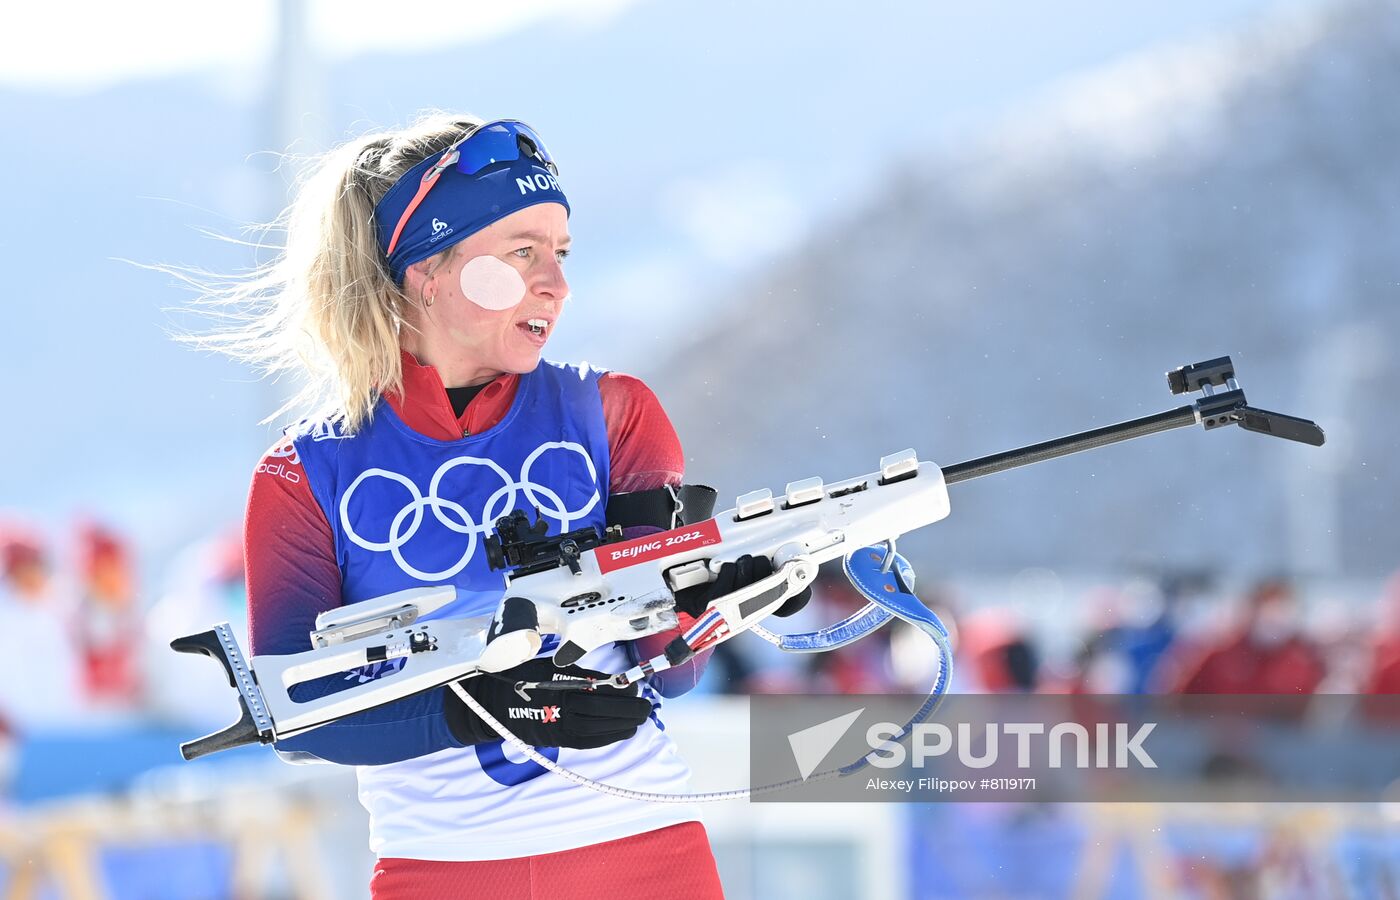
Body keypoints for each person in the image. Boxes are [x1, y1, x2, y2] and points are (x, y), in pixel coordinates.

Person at [194, 114, 807, 899]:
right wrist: (475, 708)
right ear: (427, 268)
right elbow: (298, 716)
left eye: (561, 252)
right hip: (438, 873)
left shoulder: (615, 413)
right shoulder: (302, 475)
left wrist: (702, 606)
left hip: (643, 857)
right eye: (522, 253)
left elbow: (672, 672)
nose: (556, 282)